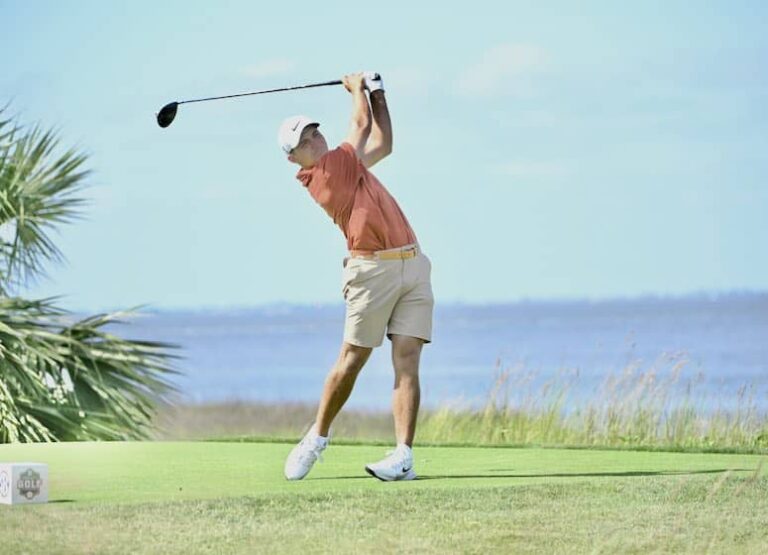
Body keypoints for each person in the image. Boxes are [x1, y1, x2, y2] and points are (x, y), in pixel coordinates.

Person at [278, 72, 434, 481]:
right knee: (352, 360)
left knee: (407, 360)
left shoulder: (348, 164)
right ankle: (316, 437)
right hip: (371, 272)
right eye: (305, 142)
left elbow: (384, 142)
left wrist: (378, 93)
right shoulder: (327, 174)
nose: (315, 141)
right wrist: (356, 88)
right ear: (294, 158)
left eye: (315, 132)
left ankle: (403, 456)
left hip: (412, 264)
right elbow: (362, 125)